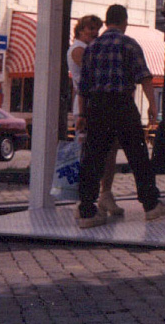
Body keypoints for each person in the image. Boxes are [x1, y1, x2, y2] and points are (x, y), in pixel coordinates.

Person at [76, 4, 165, 228]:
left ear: (106, 22)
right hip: (122, 104)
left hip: (97, 106)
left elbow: (83, 86)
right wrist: (152, 106)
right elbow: (144, 77)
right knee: (138, 155)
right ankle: (150, 205)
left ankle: (87, 210)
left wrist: (82, 113)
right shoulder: (129, 44)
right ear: (124, 21)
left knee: (93, 157)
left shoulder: (92, 47)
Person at [68, 14, 121, 217]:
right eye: (90, 29)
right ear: (80, 30)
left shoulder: (88, 48)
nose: (95, 33)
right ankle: (87, 198)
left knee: (108, 150)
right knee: (93, 152)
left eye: (97, 29)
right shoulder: (79, 50)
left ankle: (104, 193)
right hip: (88, 105)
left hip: (94, 104)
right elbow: (92, 74)